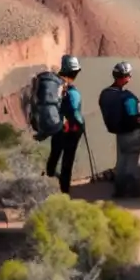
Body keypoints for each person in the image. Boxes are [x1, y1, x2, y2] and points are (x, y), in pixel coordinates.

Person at [98, 62, 140, 199]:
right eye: (129, 75)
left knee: (121, 162)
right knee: (131, 163)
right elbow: (133, 118)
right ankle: (133, 192)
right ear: (124, 77)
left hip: (119, 133)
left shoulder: (105, 94)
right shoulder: (127, 97)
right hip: (132, 134)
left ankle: (119, 191)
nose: (130, 77)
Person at [45, 54, 84, 194]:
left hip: (57, 127)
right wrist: (81, 123)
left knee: (54, 155)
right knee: (67, 160)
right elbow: (74, 111)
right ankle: (64, 191)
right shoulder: (72, 92)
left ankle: (47, 185)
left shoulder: (55, 84)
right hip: (71, 129)